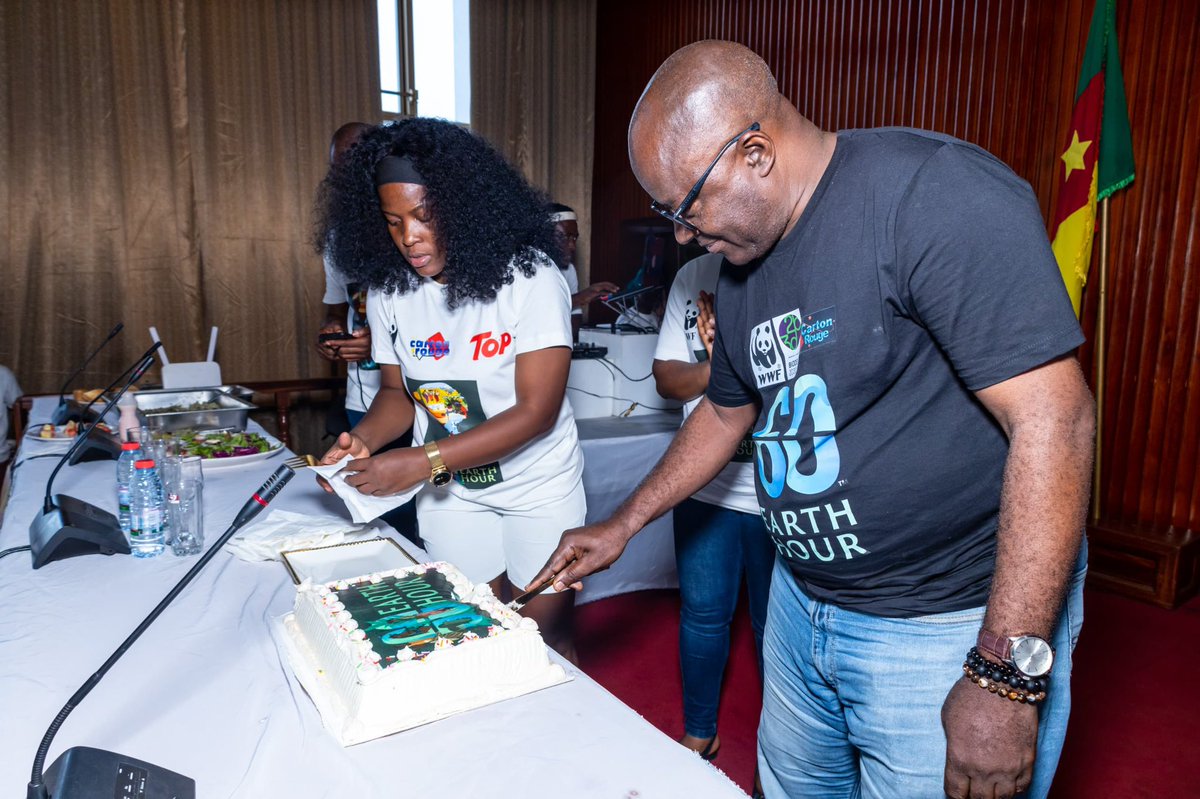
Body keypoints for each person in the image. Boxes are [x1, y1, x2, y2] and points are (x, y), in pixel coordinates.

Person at [530, 40, 1094, 799]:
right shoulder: (743, 263)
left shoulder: (932, 195)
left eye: (686, 207)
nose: (683, 235)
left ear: (755, 153)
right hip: (802, 605)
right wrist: (623, 522)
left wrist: (1002, 673)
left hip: (939, 622)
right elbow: (725, 412)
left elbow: (1057, 419)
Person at [313, 118, 586, 662]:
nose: (408, 237)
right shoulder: (390, 290)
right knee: (471, 638)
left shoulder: (530, 278)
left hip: (538, 488)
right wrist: (364, 440)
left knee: (542, 643)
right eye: (393, 222)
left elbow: (536, 411)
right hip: (453, 493)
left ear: (463, 207)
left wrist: (422, 460)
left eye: (423, 216)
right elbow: (396, 394)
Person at [653, 251, 774, 763]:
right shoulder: (692, 276)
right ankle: (701, 731)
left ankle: (782, 748)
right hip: (704, 487)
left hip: (778, 493)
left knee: (777, 630)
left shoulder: (791, 261)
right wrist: (716, 366)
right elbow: (666, 378)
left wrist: (734, 353)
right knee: (702, 618)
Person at [316, 121, 419, 545]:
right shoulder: (339, 238)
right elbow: (337, 306)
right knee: (377, 519)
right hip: (370, 398)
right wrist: (332, 334)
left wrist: (378, 345)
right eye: (339, 168)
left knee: (420, 512)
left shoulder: (416, 231)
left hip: (425, 399)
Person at [547, 202, 620, 338]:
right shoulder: (528, 270)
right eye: (564, 237)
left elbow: (575, 319)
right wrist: (580, 298)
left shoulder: (569, 270)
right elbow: (536, 309)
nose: (572, 246)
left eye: (574, 237)